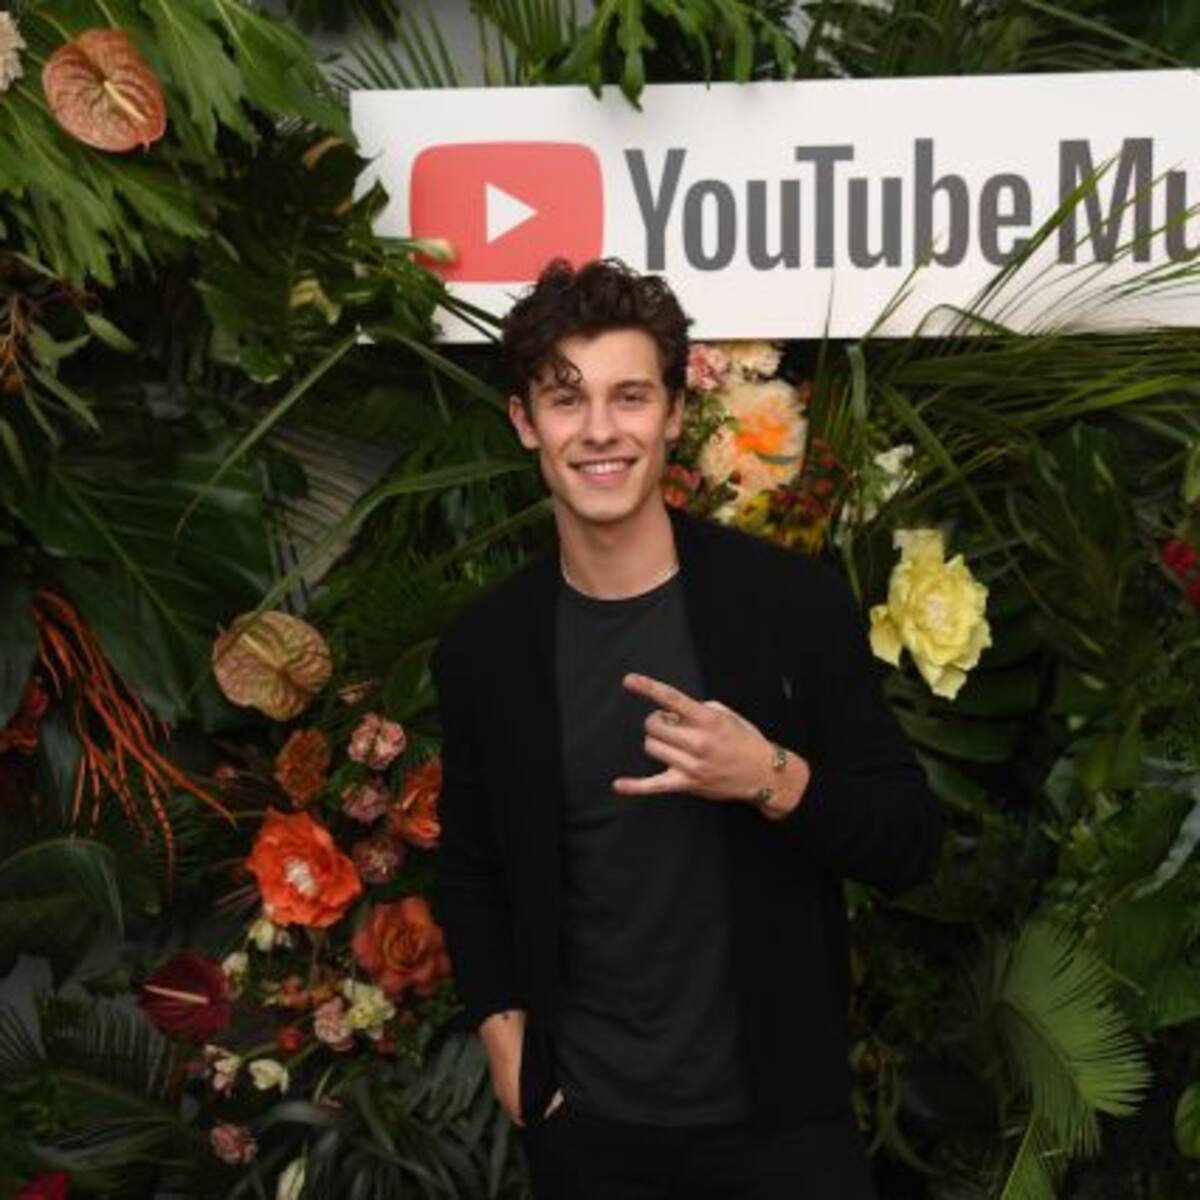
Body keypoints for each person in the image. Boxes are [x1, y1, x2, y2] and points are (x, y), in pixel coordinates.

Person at [428, 257, 943, 1199]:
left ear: (673, 414)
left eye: (629, 396)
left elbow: (909, 841)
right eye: (566, 399)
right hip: (588, 1136)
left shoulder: (788, 606)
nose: (599, 430)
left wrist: (771, 776)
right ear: (525, 422)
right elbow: (469, 865)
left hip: (785, 1135)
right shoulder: (486, 648)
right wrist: (504, 1034)